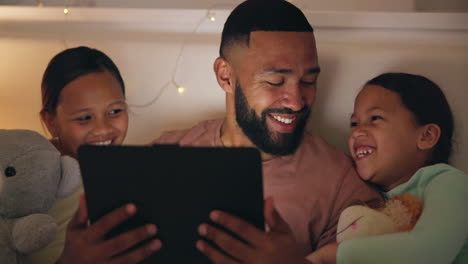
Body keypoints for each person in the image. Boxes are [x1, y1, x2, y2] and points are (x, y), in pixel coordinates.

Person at [152, 0, 382, 263]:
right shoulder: (163, 157)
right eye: (275, 81)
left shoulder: (341, 184)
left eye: (309, 81)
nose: (296, 102)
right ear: (225, 76)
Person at [306, 73, 468, 264]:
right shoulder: (367, 196)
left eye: (375, 118)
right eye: (354, 123)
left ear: (426, 136)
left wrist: (331, 255)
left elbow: (431, 251)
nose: (357, 131)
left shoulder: (448, 182)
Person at [29, 46, 160, 264]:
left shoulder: (136, 172)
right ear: (50, 121)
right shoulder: (24, 180)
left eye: (115, 111)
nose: (102, 129)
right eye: (84, 118)